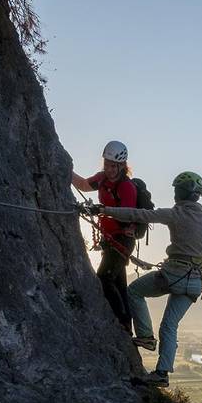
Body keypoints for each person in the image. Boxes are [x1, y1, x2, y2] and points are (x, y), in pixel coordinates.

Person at [90, 171, 202, 387]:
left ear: (182, 193)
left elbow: (139, 215)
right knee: (170, 326)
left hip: (172, 275)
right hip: (195, 282)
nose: (174, 194)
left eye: (176, 190)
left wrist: (104, 210)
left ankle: (145, 336)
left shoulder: (175, 214)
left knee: (134, 291)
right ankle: (162, 374)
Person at [71, 141, 138, 332]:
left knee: (104, 278)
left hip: (123, 239)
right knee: (119, 283)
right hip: (110, 239)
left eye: (113, 166)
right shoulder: (102, 179)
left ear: (122, 166)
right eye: (107, 164)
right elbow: (83, 185)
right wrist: (67, 170)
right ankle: (126, 326)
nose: (109, 169)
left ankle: (121, 323)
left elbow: (126, 215)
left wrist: (101, 210)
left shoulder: (126, 187)